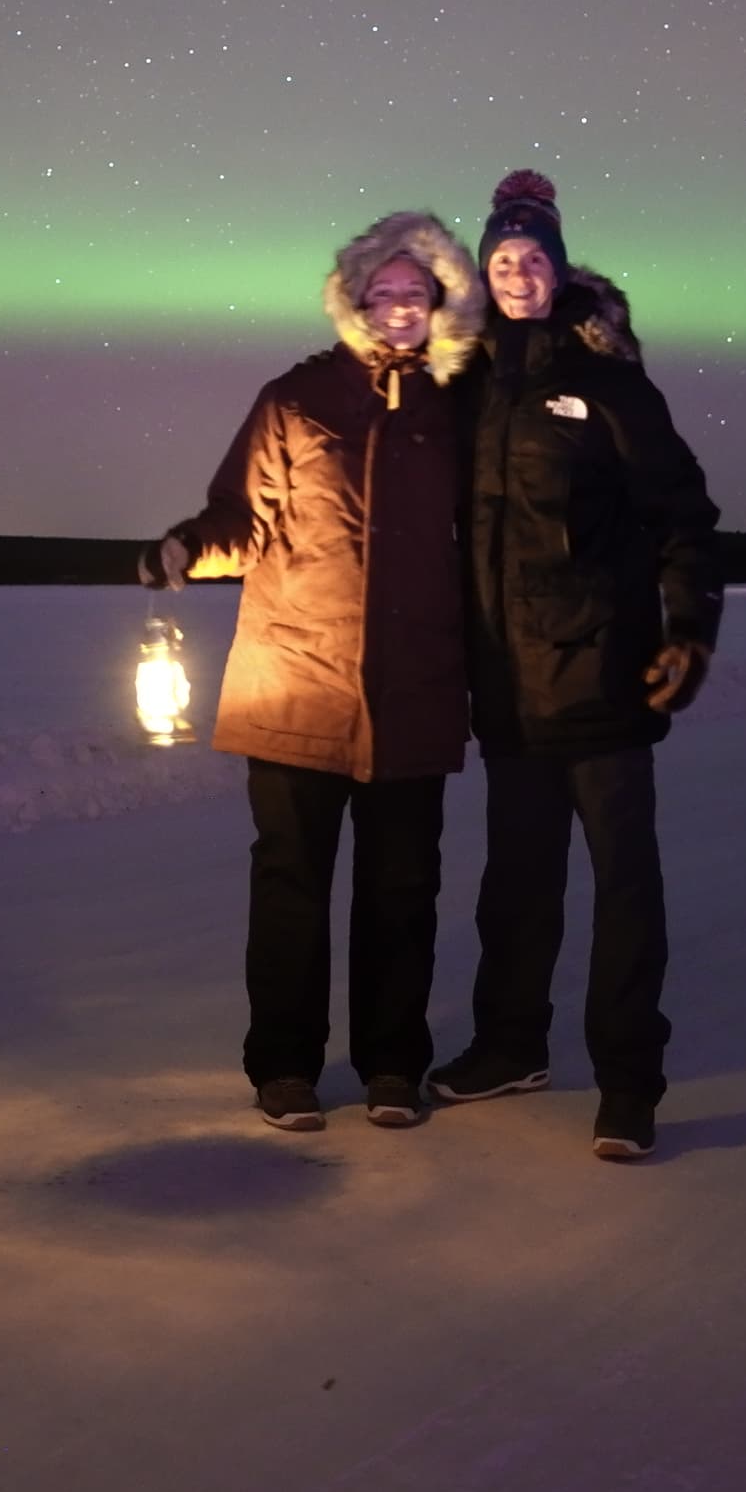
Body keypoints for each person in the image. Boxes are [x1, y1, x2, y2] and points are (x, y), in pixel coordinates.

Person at [145, 212, 486, 1133]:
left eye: (417, 292)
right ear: (354, 300)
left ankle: (392, 1064)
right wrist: (187, 549)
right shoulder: (296, 399)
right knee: (291, 886)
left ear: (441, 302)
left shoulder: (460, 407)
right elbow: (242, 518)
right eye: (383, 291)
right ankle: (285, 1066)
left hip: (413, 689)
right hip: (296, 681)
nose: (400, 306)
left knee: (401, 889)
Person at [431, 169, 722, 1160]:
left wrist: (690, 629)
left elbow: (683, 515)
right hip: (507, 685)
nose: (518, 273)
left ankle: (629, 1082)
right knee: (515, 884)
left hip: (603, 675)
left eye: (534, 257)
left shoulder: (608, 379)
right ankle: (511, 1045)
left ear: (559, 268)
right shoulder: (466, 383)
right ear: (484, 272)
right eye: (503, 259)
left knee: (623, 886)